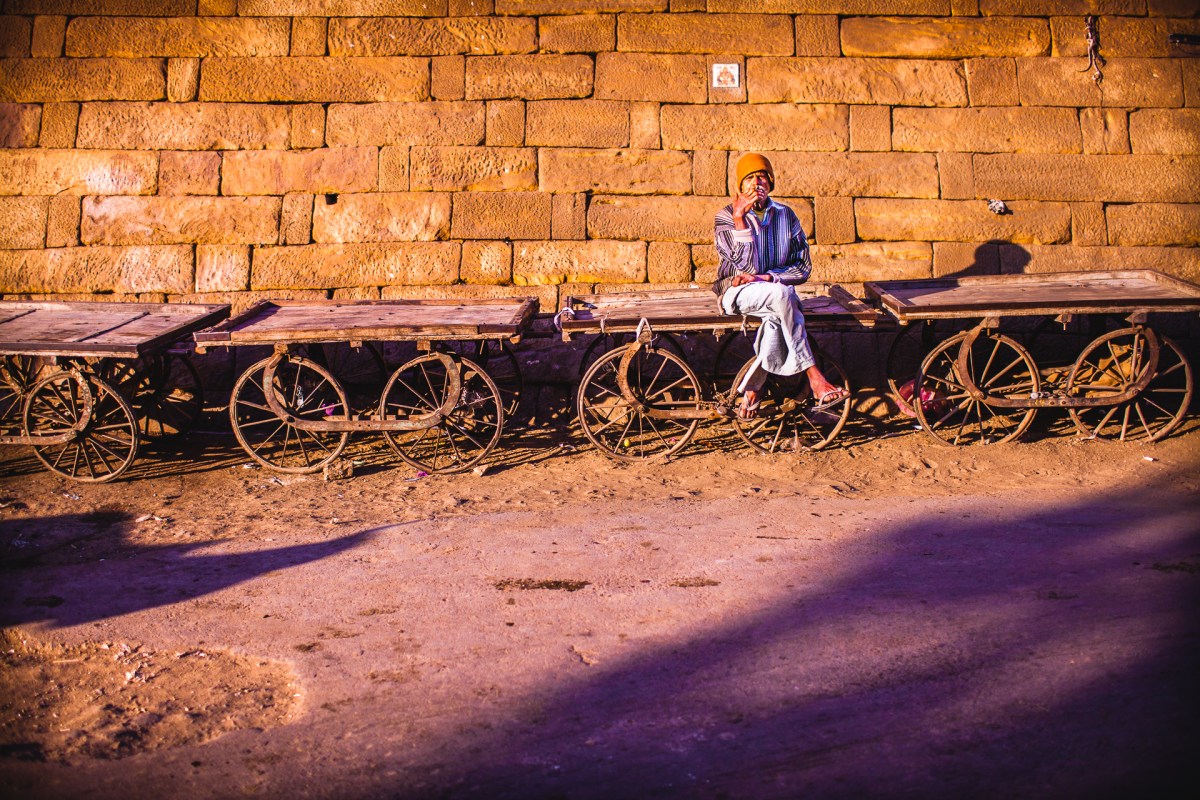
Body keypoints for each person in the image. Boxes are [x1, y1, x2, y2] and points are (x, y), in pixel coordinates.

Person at [713, 152, 849, 420]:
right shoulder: (726, 217)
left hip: (774, 293)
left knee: (779, 305)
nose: (757, 183)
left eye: (762, 177)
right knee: (783, 296)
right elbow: (744, 269)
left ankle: (752, 390)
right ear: (740, 187)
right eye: (749, 178)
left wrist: (767, 278)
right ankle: (814, 376)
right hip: (736, 293)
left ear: (771, 183)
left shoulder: (786, 216)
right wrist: (741, 220)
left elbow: (802, 267)